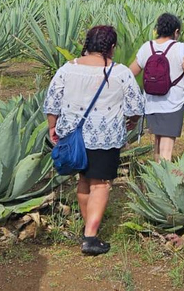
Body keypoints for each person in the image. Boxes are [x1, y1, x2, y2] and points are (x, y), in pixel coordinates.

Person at [43, 25, 144, 256]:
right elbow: (135, 106)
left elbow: (52, 102)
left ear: (87, 44)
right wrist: (133, 121)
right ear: (111, 47)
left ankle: (89, 230)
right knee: (101, 183)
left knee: (84, 180)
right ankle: (90, 237)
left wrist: (52, 126)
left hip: (73, 136)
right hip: (104, 136)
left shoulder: (68, 68)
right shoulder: (120, 72)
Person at [130, 13, 184, 162]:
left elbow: (130, 73)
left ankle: (154, 177)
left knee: (157, 143)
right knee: (166, 149)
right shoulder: (181, 48)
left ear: (158, 29)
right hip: (173, 103)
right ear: (176, 31)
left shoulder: (146, 47)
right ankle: (161, 182)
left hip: (151, 103)